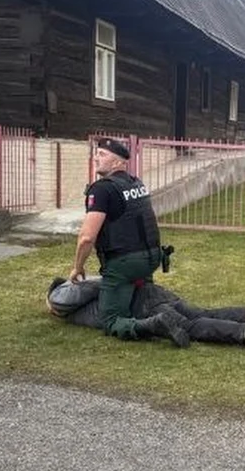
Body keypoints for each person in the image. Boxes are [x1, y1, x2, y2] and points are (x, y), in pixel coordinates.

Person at [70, 138, 173, 344]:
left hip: (125, 264)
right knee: (138, 303)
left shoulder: (102, 189)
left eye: (102, 155)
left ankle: (153, 325)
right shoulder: (136, 183)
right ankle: (150, 310)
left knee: (109, 320)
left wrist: (78, 267)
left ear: (118, 162)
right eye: (97, 153)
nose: (96, 158)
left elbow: (87, 238)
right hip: (152, 258)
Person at [46, 276, 245, 357]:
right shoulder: (79, 313)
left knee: (191, 326)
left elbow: (91, 288)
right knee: (200, 313)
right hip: (150, 295)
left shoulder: (60, 296)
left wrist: (54, 299)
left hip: (143, 304)